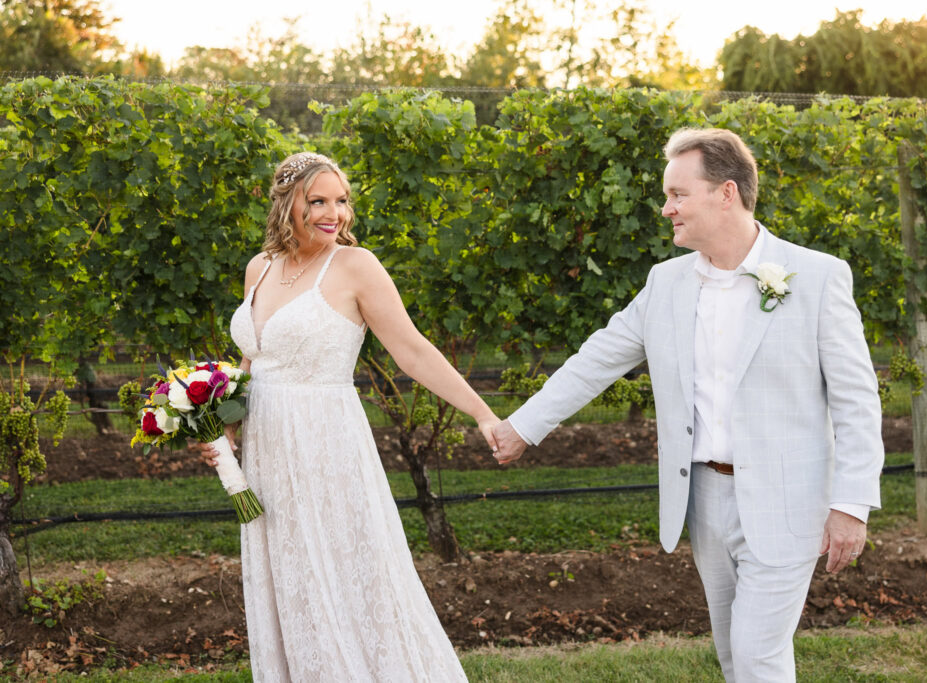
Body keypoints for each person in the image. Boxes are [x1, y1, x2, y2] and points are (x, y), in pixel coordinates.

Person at [492, 128, 884, 682]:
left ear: (726, 193)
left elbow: (856, 399)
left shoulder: (817, 277)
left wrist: (852, 503)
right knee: (733, 652)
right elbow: (597, 359)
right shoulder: (666, 282)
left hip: (789, 501)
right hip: (703, 500)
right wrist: (523, 428)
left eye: (677, 194)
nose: (665, 208)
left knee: (755, 654)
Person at [199, 152, 498, 682]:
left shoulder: (356, 266)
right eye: (317, 201)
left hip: (325, 443)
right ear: (287, 204)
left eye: (340, 201)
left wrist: (482, 413)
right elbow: (252, 359)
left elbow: (413, 352)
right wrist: (222, 423)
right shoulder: (259, 267)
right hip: (267, 447)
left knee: (339, 571)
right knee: (289, 573)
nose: (332, 213)